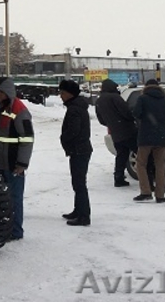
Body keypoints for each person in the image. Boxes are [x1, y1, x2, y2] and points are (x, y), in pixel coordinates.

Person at [0, 77, 34, 240]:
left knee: (14, 198)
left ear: (8, 93)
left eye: (1, 93)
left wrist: (22, 164)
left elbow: (27, 139)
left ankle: (15, 231)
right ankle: (3, 228)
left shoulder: (20, 111)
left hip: (13, 164)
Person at [132, 79, 165, 203]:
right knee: (160, 165)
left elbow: (136, 113)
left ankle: (145, 191)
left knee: (141, 164)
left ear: (146, 87)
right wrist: (162, 123)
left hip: (145, 136)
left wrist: (144, 121)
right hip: (160, 136)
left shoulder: (142, 99)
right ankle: (160, 195)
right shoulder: (164, 100)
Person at [59, 79, 93, 226]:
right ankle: (78, 210)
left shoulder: (74, 109)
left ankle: (83, 215)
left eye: (62, 93)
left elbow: (74, 130)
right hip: (81, 149)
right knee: (78, 182)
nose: (60, 96)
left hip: (79, 149)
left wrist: (64, 138)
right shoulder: (78, 106)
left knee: (79, 183)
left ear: (69, 93)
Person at [95, 79, 138, 187]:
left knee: (121, 155)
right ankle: (149, 175)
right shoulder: (115, 98)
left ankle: (118, 178)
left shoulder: (99, 101)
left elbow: (101, 119)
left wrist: (112, 124)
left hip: (115, 132)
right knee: (140, 152)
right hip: (128, 130)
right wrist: (132, 119)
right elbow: (126, 112)